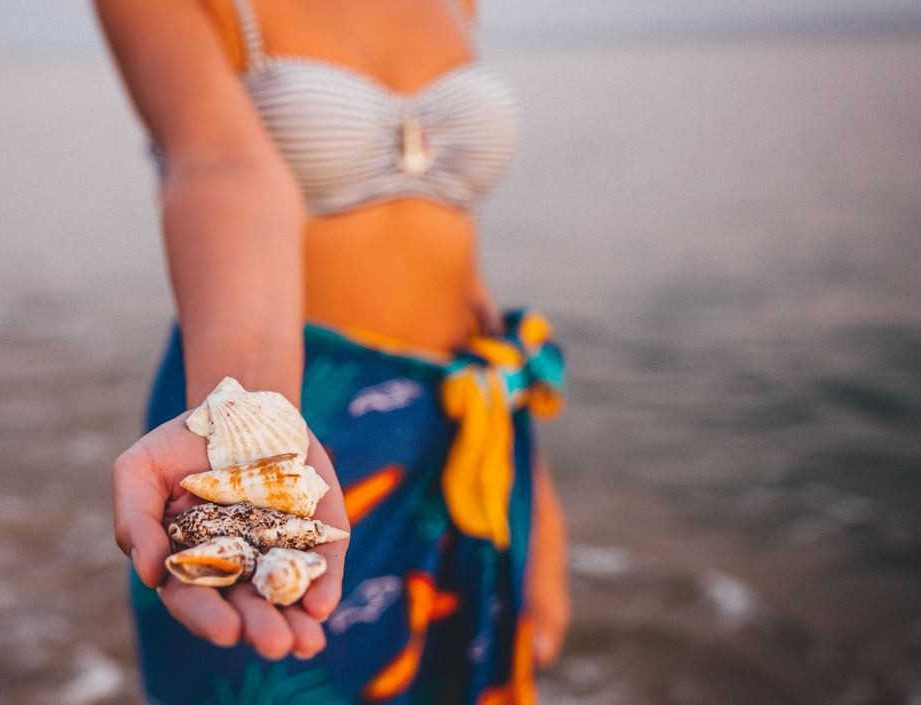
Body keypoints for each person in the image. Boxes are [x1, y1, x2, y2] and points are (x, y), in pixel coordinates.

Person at [95, 0, 571, 702]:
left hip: (466, 419)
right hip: (305, 414)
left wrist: (537, 490)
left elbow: (449, 242)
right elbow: (223, 165)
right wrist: (250, 419)